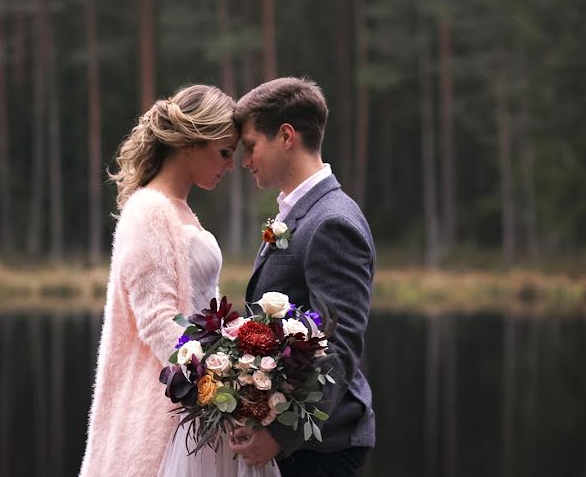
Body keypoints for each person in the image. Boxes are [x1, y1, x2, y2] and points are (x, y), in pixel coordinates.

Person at [78, 84, 243, 477]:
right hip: (171, 400)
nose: (231, 166)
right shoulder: (149, 210)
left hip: (200, 395)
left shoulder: (180, 209)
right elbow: (158, 321)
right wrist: (219, 391)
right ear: (191, 142)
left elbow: (206, 309)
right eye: (224, 153)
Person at [228, 77, 376, 477]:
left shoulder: (332, 222)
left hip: (321, 447)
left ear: (287, 136)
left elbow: (340, 345)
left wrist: (281, 436)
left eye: (251, 146)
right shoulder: (298, 213)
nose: (245, 161)